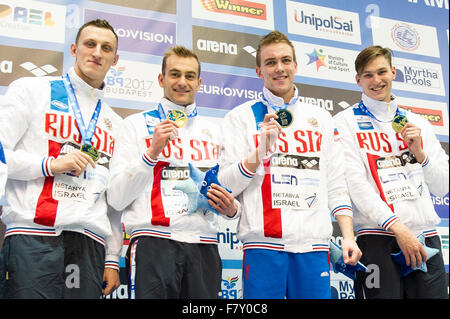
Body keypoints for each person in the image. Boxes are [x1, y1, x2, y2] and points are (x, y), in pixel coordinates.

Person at [217, 30, 361, 299]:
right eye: (270, 62)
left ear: (296, 65)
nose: (279, 68)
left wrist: (348, 237)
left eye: (285, 60)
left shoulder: (321, 118)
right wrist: (260, 150)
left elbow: (336, 184)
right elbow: (225, 184)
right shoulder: (240, 117)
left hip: (313, 248)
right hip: (263, 247)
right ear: (259, 71)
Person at [0, 19, 122, 298]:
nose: (97, 53)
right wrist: (49, 164)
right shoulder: (31, 90)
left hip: (88, 242)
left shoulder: (114, 122)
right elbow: (1, 154)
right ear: (73, 49)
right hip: (33, 235)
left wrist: (112, 256)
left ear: (114, 59)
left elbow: (114, 199)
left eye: (106, 48)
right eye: (90, 44)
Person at [107, 45, 239, 299]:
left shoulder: (216, 131)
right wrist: (150, 154)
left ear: (199, 83)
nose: (182, 82)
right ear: (161, 79)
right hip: (153, 243)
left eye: (189, 76)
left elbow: (232, 195)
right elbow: (115, 199)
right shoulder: (134, 125)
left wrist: (233, 210)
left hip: (204, 245)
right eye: (174, 74)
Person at [333, 46, 448, 299]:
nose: (376, 81)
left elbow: (442, 186)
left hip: (424, 239)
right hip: (376, 239)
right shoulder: (345, 122)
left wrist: (421, 155)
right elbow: (356, 185)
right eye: (368, 75)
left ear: (393, 72)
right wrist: (399, 229)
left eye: (382, 72)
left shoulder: (417, 123)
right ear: (358, 80)